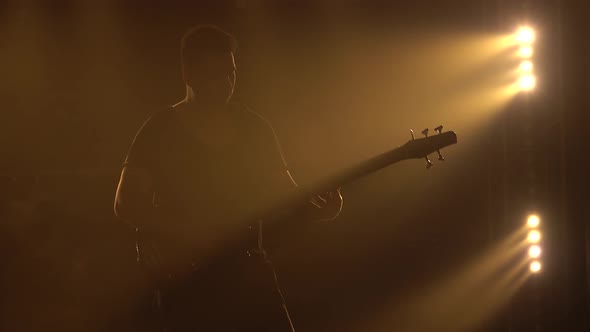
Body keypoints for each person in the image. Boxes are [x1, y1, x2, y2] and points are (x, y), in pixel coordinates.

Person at [114, 24, 343, 331]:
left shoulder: (256, 129)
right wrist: (192, 234)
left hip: (250, 275)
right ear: (188, 73)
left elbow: (287, 196)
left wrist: (319, 210)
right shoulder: (159, 129)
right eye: (215, 74)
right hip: (188, 285)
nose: (226, 82)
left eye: (231, 73)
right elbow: (125, 203)